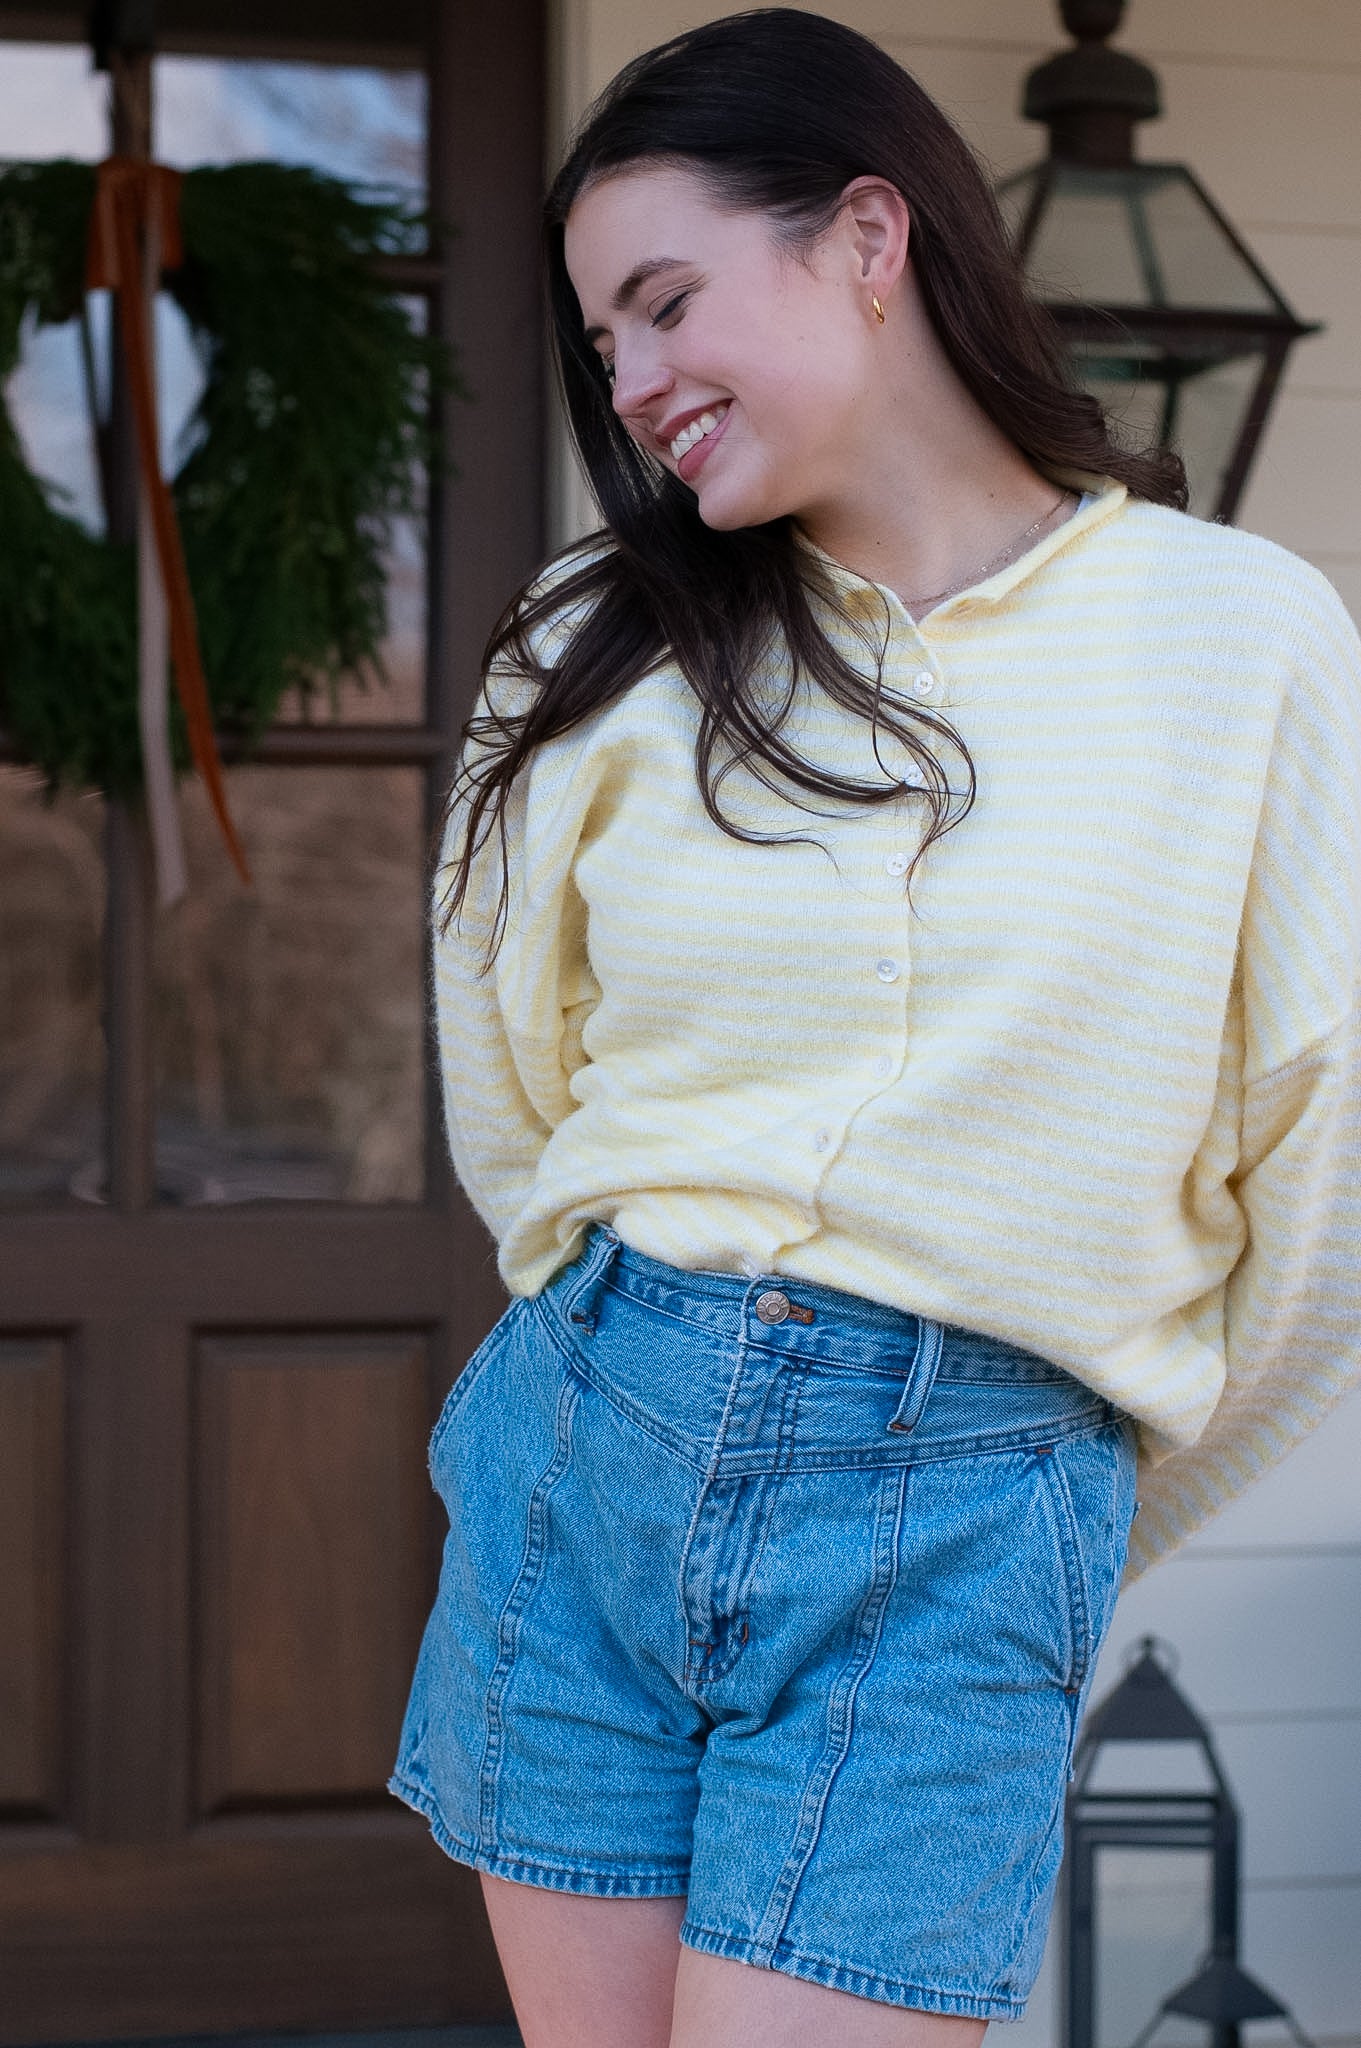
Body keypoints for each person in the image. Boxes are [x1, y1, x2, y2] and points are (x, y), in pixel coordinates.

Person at [389, 11, 1361, 2045]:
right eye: (605, 344)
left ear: (865, 233)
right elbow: (516, 1094)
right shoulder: (591, 646)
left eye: (665, 301)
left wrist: (1069, 1497)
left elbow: (1317, 1149)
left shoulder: (1239, 637)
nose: (635, 382)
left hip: (963, 1518)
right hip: (593, 1455)